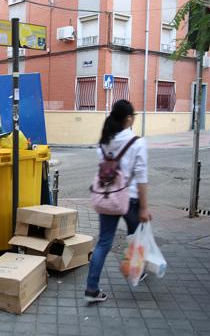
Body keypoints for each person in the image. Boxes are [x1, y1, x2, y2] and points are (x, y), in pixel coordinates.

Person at [85, 99, 152, 303]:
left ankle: (92, 288)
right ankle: (133, 270)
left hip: (108, 197)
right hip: (129, 199)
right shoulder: (137, 142)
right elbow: (141, 177)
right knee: (137, 236)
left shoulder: (104, 142)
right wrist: (144, 207)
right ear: (128, 118)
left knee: (104, 242)